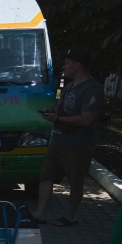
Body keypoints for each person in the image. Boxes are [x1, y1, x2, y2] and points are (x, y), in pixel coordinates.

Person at [31, 48, 104, 227]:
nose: (64, 67)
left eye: (67, 63)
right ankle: (40, 214)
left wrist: (57, 118)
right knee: (46, 177)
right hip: (57, 141)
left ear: (78, 65)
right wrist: (53, 113)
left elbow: (87, 118)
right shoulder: (70, 86)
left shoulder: (92, 88)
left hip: (77, 145)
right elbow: (64, 111)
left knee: (75, 182)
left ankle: (70, 216)